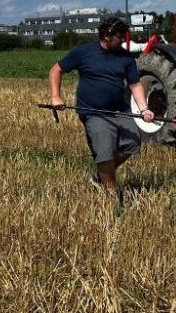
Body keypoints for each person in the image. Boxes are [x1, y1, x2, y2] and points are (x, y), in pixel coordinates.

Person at [48, 17, 154, 201]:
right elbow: (56, 70)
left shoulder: (126, 57)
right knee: (105, 148)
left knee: (133, 143)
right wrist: (56, 96)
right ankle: (114, 197)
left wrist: (144, 108)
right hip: (93, 112)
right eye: (120, 37)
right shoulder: (84, 52)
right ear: (107, 35)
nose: (123, 40)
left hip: (119, 110)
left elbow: (135, 85)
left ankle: (100, 175)